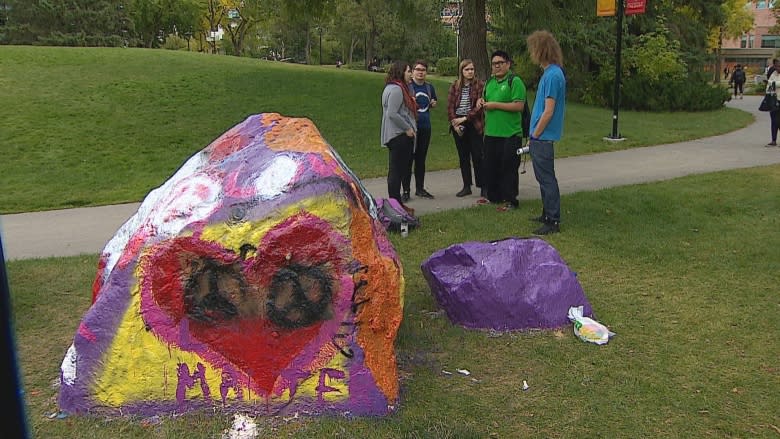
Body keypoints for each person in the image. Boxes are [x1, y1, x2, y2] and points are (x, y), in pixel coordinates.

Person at [526, 30, 566, 235]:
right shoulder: (551, 73)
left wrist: (536, 134)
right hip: (541, 136)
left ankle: (553, 220)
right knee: (543, 178)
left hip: (543, 137)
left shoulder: (552, 75)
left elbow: (549, 110)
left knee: (547, 178)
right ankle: (546, 213)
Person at [476, 50, 526, 211]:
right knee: (491, 165)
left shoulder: (514, 81)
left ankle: (511, 200)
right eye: (494, 64)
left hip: (510, 133)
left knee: (509, 167)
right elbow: (485, 100)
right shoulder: (489, 82)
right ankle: (494, 196)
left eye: (500, 63)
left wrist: (495, 105)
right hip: (491, 132)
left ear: (508, 64)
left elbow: (519, 106)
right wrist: (480, 102)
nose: (496, 66)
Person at [447, 59, 485, 198]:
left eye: (472, 69)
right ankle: (466, 185)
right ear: (461, 71)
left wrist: (465, 118)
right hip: (459, 123)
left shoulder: (479, 85)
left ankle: (483, 186)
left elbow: (479, 108)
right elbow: (450, 106)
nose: (470, 72)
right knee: (463, 157)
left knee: (477, 156)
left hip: (473, 123)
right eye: (467, 69)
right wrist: (454, 123)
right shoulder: (455, 86)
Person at [380, 61, 417, 204]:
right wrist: (407, 128)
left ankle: (395, 202)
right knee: (397, 171)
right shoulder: (397, 89)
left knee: (396, 169)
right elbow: (392, 113)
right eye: (408, 71)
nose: (410, 74)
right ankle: (395, 202)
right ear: (401, 72)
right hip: (399, 135)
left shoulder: (391, 87)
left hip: (394, 135)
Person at [402, 60, 437, 201]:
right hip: (411, 128)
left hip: (425, 127)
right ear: (413, 72)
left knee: (421, 159)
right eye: (417, 69)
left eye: (423, 70)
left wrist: (433, 103)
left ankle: (420, 189)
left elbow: (433, 101)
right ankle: (405, 191)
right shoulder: (407, 87)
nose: (420, 72)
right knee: (408, 160)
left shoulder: (429, 87)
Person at [766, 59, 780, 147]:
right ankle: (773, 140)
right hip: (774, 100)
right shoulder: (773, 74)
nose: (778, 68)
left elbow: (777, 84)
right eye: (777, 66)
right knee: (774, 121)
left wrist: (771, 83)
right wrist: (771, 84)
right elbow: (768, 87)